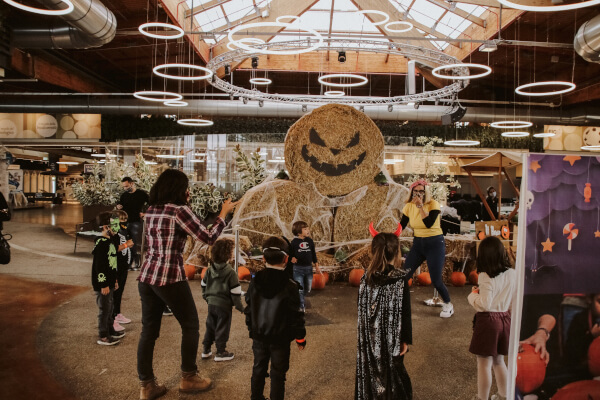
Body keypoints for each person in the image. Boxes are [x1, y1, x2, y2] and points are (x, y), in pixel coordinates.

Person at [136, 169, 237, 400]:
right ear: (178, 189)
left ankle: (147, 385)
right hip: (169, 277)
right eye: (186, 187)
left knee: (148, 331)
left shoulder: (151, 210)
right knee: (190, 325)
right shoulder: (179, 211)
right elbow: (209, 238)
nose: (188, 190)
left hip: (147, 276)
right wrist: (223, 213)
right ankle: (189, 377)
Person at [245, 236, 306, 400]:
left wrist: (251, 329)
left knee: (258, 368)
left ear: (263, 258)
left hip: (259, 336)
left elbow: (249, 308)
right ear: (286, 259)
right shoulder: (290, 286)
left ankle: (256, 397)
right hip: (281, 339)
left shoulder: (255, 281)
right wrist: (300, 337)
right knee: (278, 374)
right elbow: (296, 315)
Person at [356, 232, 412, 400]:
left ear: (373, 251)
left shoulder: (365, 279)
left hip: (369, 339)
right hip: (392, 341)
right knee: (393, 376)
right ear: (396, 253)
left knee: (371, 373)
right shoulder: (399, 281)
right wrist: (405, 339)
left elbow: (361, 311)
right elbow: (405, 313)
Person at [467, 236, 516, 400]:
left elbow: (485, 304)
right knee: (499, 361)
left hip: (488, 322)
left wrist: (473, 296)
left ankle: (482, 398)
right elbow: (513, 302)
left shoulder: (485, 276)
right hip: (505, 319)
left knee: (483, 364)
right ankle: (504, 395)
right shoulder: (512, 274)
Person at [401, 179, 454, 318]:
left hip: (435, 243)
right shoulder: (408, 206)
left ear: (426, 193)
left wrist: (420, 207)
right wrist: (390, 236)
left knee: (436, 280)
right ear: (412, 192)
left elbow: (429, 223)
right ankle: (399, 303)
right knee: (404, 275)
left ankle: (448, 304)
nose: (418, 194)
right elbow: (402, 225)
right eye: (416, 191)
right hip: (418, 244)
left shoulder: (433, 204)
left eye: (421, 191)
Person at [200, 237, 244, 362]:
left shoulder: (209, 270)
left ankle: (206, 349)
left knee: (210, 326)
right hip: (224, 306)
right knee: (222, 327)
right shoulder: (231, 273)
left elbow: (203, 286)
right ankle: (220, 352)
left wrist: (207, 297)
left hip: (211, 304)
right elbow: (235, 293)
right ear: (228, 255)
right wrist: (241, 308)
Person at [92, 211, 125, 346]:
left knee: (110, 307)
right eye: (114, 225)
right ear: (106, 227)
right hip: (103, 284)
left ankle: (110, 330)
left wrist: (115, 280)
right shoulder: (101, 244)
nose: (117, 228)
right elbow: (100, 267)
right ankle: (103, 335)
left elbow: (113, 264)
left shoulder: (110, 241)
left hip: (110, 281)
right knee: (104, 309)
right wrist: (104, 284)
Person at [116, 177, 149, 270]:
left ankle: (133, 261)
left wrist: (145, 213)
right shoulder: (124, 195)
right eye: (124, 187)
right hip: (124, 221)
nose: (125, 188)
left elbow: (151, 203)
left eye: (126, 186)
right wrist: (118, 206)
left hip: (135, 221)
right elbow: (120, 204)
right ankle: (131, 260)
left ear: (132, 183)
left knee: (132, 241)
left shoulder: (141, 194)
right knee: (125, 241)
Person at [289, 221, 321, 312]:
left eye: (308, 228)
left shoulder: (310, 241)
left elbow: (314, 254)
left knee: (308, 288)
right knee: (300, 288)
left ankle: (301, 298)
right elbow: (290, 254)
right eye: (305, 229)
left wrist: (317, 266)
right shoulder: (294, 242)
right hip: (298, 269)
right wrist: (292, 257)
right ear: (299, 232)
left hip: (308, 268)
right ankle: (301, 306)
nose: (308, 230)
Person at [112, 210, 134, 330]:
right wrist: (126, 245)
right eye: (121, 220)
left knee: (120, 292)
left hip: (124, 266)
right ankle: (113, 317)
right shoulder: (115, 233)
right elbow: (114, 248)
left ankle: (117, 313)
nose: (124, 223)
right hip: (117, 266)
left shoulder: (126, 230)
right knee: (115, 292)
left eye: (125, 220)